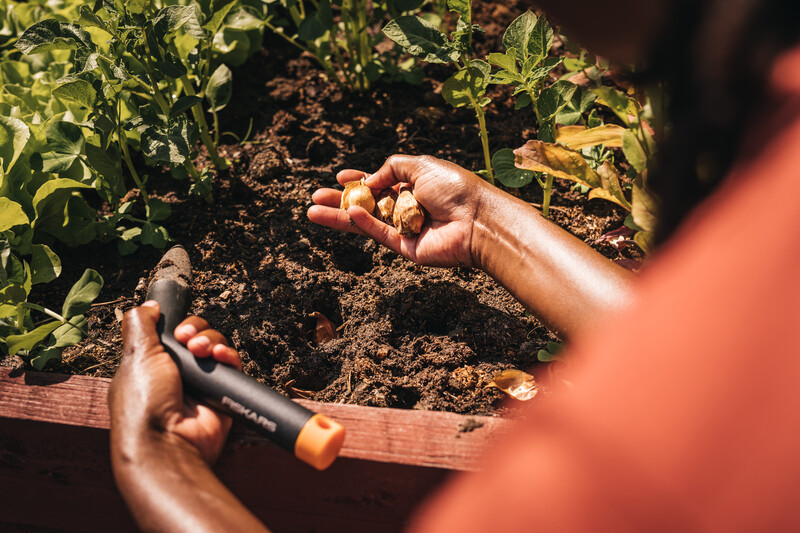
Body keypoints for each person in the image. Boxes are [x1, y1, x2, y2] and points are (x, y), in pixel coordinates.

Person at [110, 0, 800, 530]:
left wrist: (156, 461)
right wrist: (486, 225)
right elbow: (691, 352)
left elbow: (687, 398)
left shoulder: (615, 467)